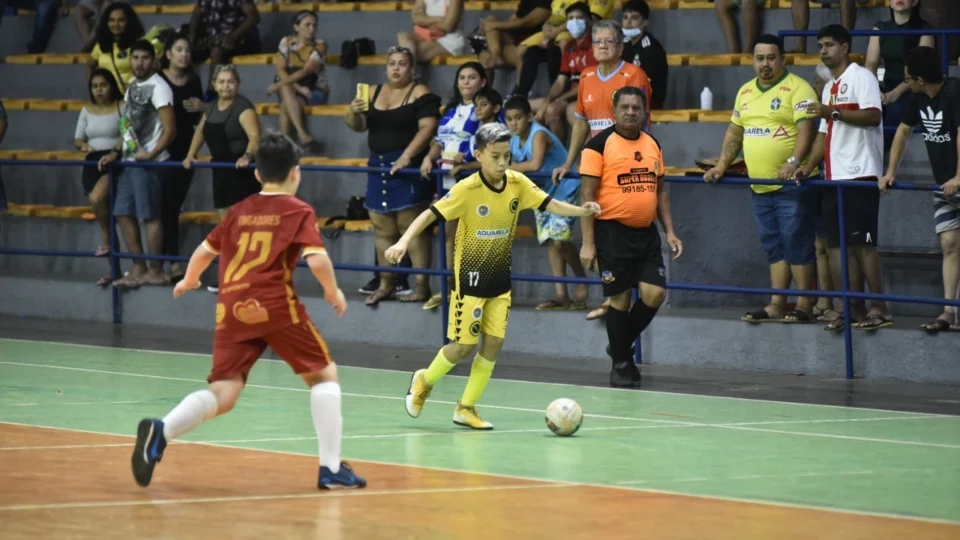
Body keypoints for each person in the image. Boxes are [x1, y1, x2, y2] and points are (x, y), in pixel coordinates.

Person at [132, 132, 366, 491]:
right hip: (272, 304)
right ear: (296, 173)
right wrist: (333, 292)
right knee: (323, 376)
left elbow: (205, 251)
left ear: (257, 175)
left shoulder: (239, 210)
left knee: (224, 390)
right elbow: (317, 258)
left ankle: (163, 431)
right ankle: (331, 469)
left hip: (232, 306)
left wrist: (189, 281)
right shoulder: (298, 210)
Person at [387, 123, 600, 429]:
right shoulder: (467, 189)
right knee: (463, 347)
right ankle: (423, 380)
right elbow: (428, 215)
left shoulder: (517, 183)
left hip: (500, 279)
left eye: (507, 156)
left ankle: (466, 408)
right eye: (496, 156)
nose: (502, 163)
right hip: (470, 279)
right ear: (479, 154)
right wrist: (403, 241)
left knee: (494, 344)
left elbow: (550, 204)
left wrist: (583, 211)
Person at [703, 35, 819, 324]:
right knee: (774, 244)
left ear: (783, 59)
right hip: (759, 185)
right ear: (752, 60)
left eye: (770, 57)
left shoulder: (799, 89)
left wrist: (793, 162)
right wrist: (721, 165)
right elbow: (734, 133)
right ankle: (777, 304)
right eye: (759, 58)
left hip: (794, 185)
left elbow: (808, 132)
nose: (765, 64)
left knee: (797, 242)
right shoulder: (745, 92)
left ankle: (805, 304)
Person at [579, 86, 681, 387]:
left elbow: (661, 191)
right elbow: (587, 195)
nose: (631, 112)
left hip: (646, 234)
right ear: (614, 109)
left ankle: (619, 345)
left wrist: (670, 232)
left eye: (637, 107)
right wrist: (588, 242)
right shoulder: (597, 146)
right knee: (620, 300)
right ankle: (621, 364)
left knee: (655, 294)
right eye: (625, 107)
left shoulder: (652, 143)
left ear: (644, 110)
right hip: (611, 232)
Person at [552, 20, 652, 322]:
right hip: (595, 161)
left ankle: (618, 298)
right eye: (598, 42)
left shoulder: (633, 74)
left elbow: (642, 121)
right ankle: (612, 295)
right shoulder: (585, 76)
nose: (603, 46)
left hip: (624, 161)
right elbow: (581, 122)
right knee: (594, 221)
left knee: (620, 227)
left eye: (609, 41)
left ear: (620, 46)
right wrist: (569, 162)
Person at [797, 25, 892, 331]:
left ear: (845, 47)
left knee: (862, 245)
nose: (823, 50)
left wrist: (832, 111)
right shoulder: (828, 87)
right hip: (833, 176)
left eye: (828, 45)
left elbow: (873, 116)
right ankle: (852, 308)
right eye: (820, 45)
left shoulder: (862, 77)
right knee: (837, 248)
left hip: (861, 172)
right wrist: (807, 166)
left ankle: (880, 308)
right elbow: (823, 135)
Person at [344, 46, 441, 306]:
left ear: (412, 69)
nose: (396, 69)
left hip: (408, 165)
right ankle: (386, 284)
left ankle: (422, 286)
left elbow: (429, 127)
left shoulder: (421, 92)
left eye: (402, 64)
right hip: (378, 164)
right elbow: (359, 126)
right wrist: (352, 111)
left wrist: (408, 156)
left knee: (411, 228)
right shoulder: (373, 91)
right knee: (382, 228)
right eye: (392, 64)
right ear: (386, 67)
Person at [881, 46, 960, 333]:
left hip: (957, 180)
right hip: (945, 184)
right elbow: (903, 132)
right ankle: (950, 311)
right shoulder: (916, 97)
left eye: (907, 78)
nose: (906, 82)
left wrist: (959, 175)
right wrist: (890, 172)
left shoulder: (954, 92)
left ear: (920, 79)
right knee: (949, 243)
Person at [97, 39, 176, 288]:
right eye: (135, 58)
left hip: (150, 164)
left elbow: (171, 131)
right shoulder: (132, 85)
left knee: (150, 216)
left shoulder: (160, 87)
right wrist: (116, 151)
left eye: (145, 58)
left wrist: (151, 154)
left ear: (153, 60)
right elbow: (127, 123)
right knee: (121, 212)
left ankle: (155, 270)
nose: (140, 63)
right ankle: (139, 267)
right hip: (131, 161)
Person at [419, 62, 492, 310]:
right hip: (447, 181)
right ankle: (450, 288)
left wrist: (468, 162)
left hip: (473, 180)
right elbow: (440, 141)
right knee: (450, 234)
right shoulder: (449, 110)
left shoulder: (486, 110)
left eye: (472, 77)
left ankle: (476, 290)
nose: (466, 82)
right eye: (462, 78)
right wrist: (429, 157)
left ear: (483, 82)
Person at [504, 95, 587, 310]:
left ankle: (581, 279)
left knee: (559, 240)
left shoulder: (538, 134)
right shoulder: (513, 141)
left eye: (519, 118)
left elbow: (534, 164)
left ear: (530, 117)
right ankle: (561, 295)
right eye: (509, 119)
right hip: (542, 193)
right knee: (550, 241)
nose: (514, 123)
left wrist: (503, 169)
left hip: (565, 187)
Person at [183, 65, 261, 218]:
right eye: (222, 82)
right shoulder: (211, 107)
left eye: (230, 82)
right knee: (225, 223)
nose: (226, 86)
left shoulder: (243, 107)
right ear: (214, 84)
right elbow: (200, 131)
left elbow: (255, 136)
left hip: (241, 172)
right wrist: (190, 155)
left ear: (238, 84)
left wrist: (247, 156)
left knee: (241, 222)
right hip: (219, 170)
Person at [159, 33, 205, 283]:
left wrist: (204, 108)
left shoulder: (194, 81)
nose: (184, 55)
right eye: (179, 50)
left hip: (185, 152)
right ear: (168, 54)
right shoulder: (157, 80)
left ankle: (171, 260)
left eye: (187, 50)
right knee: (162, 208)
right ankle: (162, 262)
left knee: (172, 206)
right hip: (158, 151)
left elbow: (202, 121)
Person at [75, 69, 123, 287]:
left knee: (97, 199)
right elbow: (78, 138)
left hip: (114, 161)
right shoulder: (86, 109)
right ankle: (116, 272)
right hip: (91, 162)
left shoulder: (122, 107)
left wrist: (115, 152)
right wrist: (83, 145)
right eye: (95, 86)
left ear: (111, 85)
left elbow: (128, 133)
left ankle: (106, 242)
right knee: (107, 213)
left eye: (103, 85)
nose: (99, 90)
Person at [865, 0, 935, 150]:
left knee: (892, 117)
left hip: (913, 89)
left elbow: (920, 70)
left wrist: (895, 93)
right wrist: (877, 90)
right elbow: (871, 64)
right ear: (889, 3)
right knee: (865, 113)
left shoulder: (924, 29)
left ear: (915, 2)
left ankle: (877, 160)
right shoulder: (880, 28)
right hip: (885, 88)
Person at [528, 1, 596, 142]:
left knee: (553, 109)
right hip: (572, 96)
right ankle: (557, 156)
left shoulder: (594, 46)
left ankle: (590, 156)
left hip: (589, 96)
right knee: (527, 106)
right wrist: (547, 102)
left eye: (579, 18)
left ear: (589, 22)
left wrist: (561, 99)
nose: (574, 22)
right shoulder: (569, 47)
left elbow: (589, 84)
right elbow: (560, 81)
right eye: (570, 19)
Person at [268, 10, 329, 147]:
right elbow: (280, 69)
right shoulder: (286, 42)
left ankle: (283, 144)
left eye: (314, 25)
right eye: (307, 25)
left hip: (314, 90)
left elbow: (306, 71)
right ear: (296, 27)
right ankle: (301, 133)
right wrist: (299, 88)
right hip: (298, 90)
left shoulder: (321, 45)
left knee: (285, 103)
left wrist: (277, 85)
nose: (311, 29)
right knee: (285, 88)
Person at [86, 2, 147, 93]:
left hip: (132, 99)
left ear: (129, 22)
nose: (116, 24)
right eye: (112, 20)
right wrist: (93, 87)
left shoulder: (139, 44)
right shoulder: (101, 44)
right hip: (108, 100)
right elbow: (90, 65)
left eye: (121, 20)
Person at [620, 0, 668, 110]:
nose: (628, 22)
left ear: (645, 22)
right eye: (625, 17)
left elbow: (644, 84)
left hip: (647, 101)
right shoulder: (623, 44)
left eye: (634, 18)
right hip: (625, 96)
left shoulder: (651, 48)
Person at [397, 0, 470, 63]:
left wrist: (424, 22)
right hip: (429, 34)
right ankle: (410, 73)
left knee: (408, 53)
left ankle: (411, 74)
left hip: (449, 41)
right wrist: (439, 19)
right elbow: (415, 18)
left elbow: (447, 26)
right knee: (403, 36)